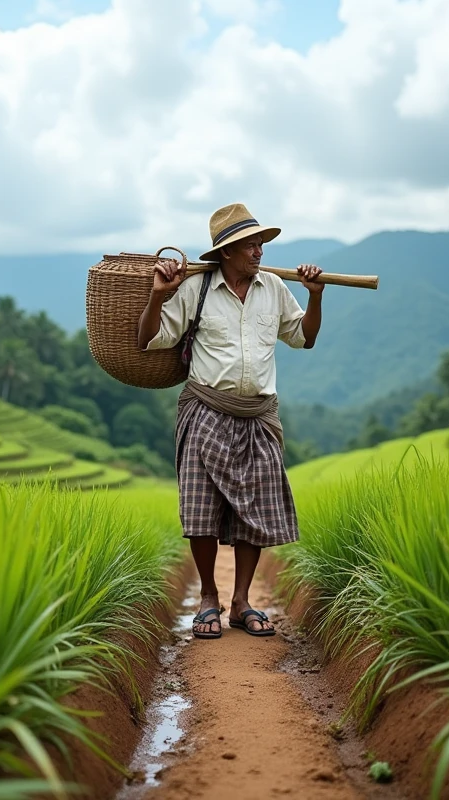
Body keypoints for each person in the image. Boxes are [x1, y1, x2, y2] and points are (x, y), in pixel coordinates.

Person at [136, 202, 324, 639]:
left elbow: (304, 338)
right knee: (201, 507)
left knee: (253, 509)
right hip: (205, 407)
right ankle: (207, 598)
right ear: (226, 252)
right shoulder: (196, 290)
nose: (259, 251)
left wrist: (315, 297)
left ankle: (240, 602)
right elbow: (149, 339)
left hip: (259, 413)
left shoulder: (275, 288)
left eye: (260, 243)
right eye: (250, 245)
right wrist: (158, 294)